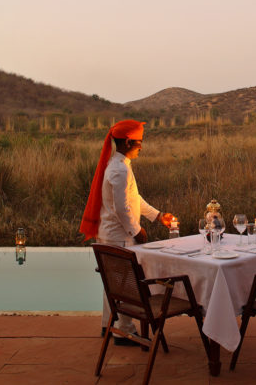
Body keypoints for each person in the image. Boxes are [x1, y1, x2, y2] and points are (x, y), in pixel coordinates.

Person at [80, 119, 173, 345]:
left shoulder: (118, 165)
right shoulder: (120, 169)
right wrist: (136, 230)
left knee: (112, 282)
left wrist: (157, 215)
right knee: (125, 285)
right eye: (139, 142)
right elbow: (123, 207)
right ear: (129, 141)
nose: (142, 147)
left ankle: (108, 324)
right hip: (118, 236)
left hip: (110, 234)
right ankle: (125, 330)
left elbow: (133, 199)